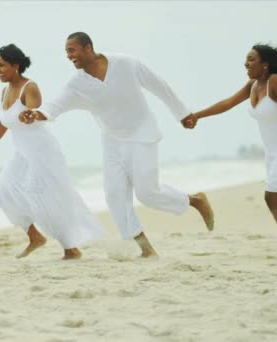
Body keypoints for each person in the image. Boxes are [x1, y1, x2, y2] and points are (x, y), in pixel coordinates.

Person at [20, 32, 214, 257]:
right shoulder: (77, 84)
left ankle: (195, 200)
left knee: (148, 193)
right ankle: (146, 250)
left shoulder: (125, 63)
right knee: (114, 197)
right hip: (112, 142)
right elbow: (55, 105)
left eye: (72, 50)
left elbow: (159, 85)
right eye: (66, 52)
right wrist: (35, 114)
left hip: (143, 136)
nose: (68, 56)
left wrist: (182, 113)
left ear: (88, 48)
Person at [183, 43, 277, 256]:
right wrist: (197, 115)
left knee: (271, 198)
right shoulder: (253, 85)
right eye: (246, 59)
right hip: (273, 151)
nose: (246, 63)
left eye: (251, 59)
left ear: (265, 64)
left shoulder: (275, 82)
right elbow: (228, 103)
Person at [0, 44, 104, 260]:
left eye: (1, 65)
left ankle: (71, 249)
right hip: (22, 153)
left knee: (43, 197)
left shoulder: (29, 87)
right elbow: (2, 126)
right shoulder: (4, 92)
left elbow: (36, 110)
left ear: (15, 65)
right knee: (3, 192)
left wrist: (31, 114)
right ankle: (35, 237)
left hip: (42, 152)